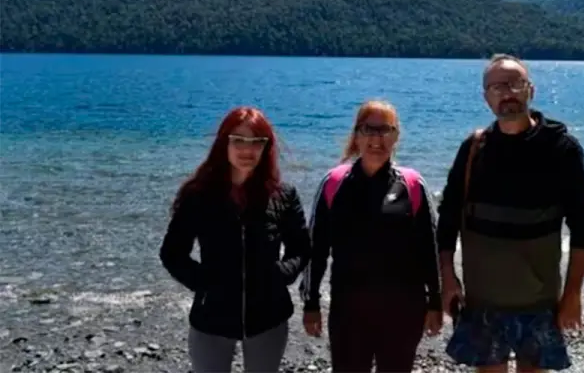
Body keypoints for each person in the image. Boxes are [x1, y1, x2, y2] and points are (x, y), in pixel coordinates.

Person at [437, 54, 584, 373]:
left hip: (538, 302)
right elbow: (448, 218)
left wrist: (573, 294)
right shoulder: (473, 150)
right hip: (482, 302)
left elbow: (582, 226)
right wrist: (448, 278)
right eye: (496, 87)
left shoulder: (561, 149)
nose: (506, 92)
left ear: (530, 90)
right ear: (486, 98)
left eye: (514, 83)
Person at [159, 106, 311, 373]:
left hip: (269, 316)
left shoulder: (283, 195)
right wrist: (202, 282)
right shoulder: (199, 196)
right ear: (224, 143)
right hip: (211, 318)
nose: (247, 150)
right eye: (238, 140)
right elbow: (172, 253)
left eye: (256, 142)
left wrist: (281, 274)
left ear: (267, 147)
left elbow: (300, 247)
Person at [301, 100, 443, 373]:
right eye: (369, 129)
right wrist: (311, 302)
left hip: (404, 310)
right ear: (356, 135)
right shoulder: (333, 183)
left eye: (385, 130)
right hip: (349, 312)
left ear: (396, 136)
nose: (376, 138)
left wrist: (435, 301)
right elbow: (315, 250)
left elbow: (429, 247)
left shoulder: (412, 184)